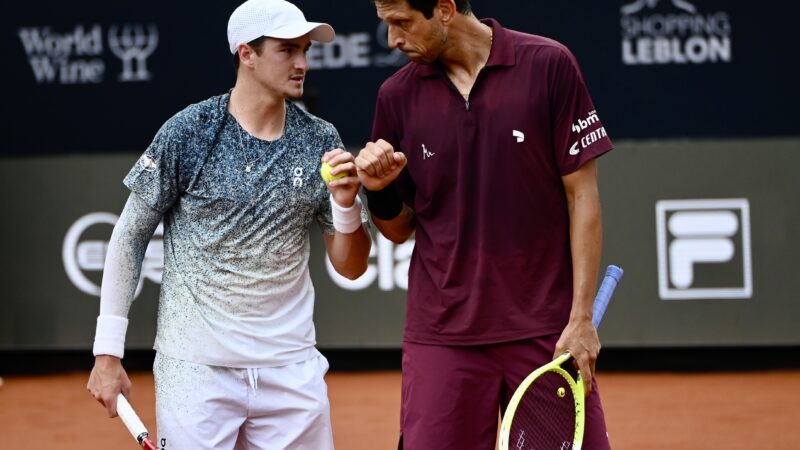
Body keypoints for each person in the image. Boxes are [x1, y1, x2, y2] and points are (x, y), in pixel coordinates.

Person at [86, 1, 372, 448]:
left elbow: (351, 267)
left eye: (305, 51)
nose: (302, 63)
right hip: (196, 373)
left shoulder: (321, 140)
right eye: (287, 50)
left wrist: (345, 204)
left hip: (291, 371)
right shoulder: (188, 131)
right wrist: (108, 353)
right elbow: (129, 236)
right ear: (246, 53)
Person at [355, 0, 614, 448]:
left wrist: (581, 319)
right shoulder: (395, 96)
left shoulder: (549, 65)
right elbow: (400, 230)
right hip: (441, 335)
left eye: (402, 23)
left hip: (544, 333)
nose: (393, 40)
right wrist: (378, 189)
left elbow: (583, 195)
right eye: (387, 25)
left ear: (445, 9)